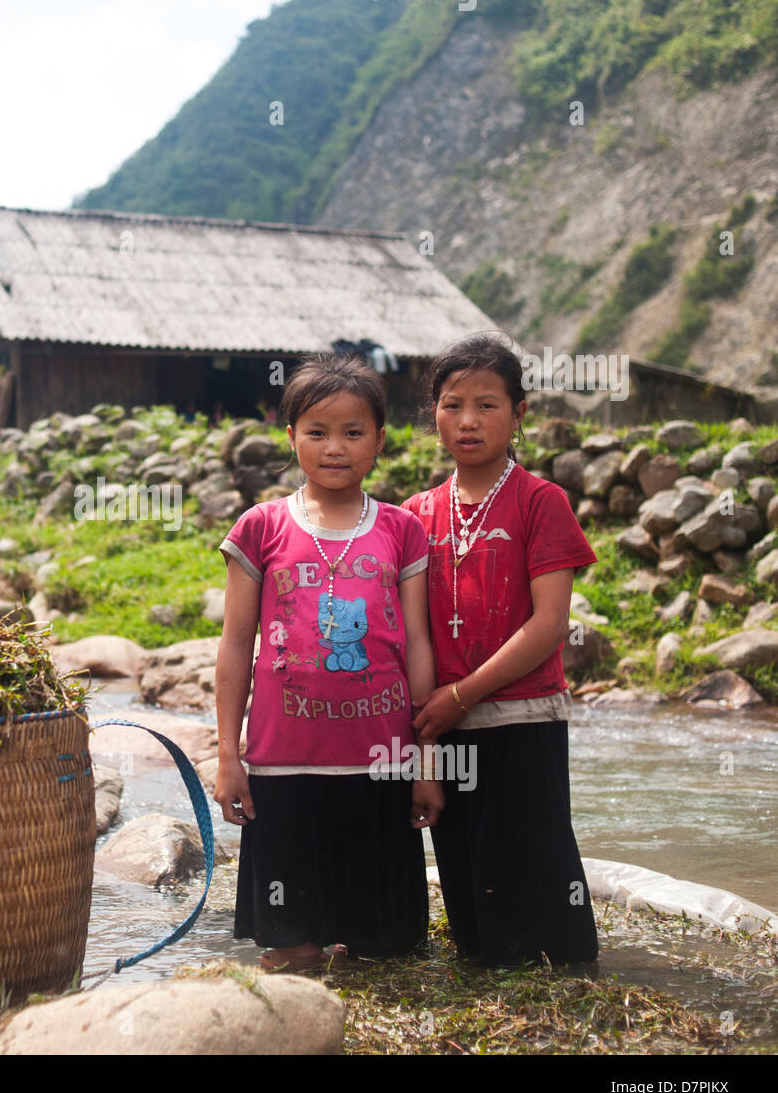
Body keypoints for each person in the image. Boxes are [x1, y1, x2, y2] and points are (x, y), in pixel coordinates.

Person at [214, 351, 443, 973]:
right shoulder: (262, 527)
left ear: (379, 440)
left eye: (353, 432)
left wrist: (426, 760)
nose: (334, 447)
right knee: (292, 945)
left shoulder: (400, 530)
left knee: (383, 948)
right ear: (291, 438)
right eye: (316, 432)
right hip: (283, 763)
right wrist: (229, 756)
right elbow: (237, 644)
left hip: (381, 761)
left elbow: (417, 643)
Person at [401, 330, 599, 968]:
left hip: (523, 720)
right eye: (453, 404)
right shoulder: (415, 515)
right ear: (433, 413)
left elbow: (548, 626)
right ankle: (488, 984)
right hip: (445, 725)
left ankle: (566, 992)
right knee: (468, 884)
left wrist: (461, 694)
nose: (468, 420)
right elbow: (414, 635)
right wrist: (427, 748)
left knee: (535, 869)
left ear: (519, 416)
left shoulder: (543, 502)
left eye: (488, 405)